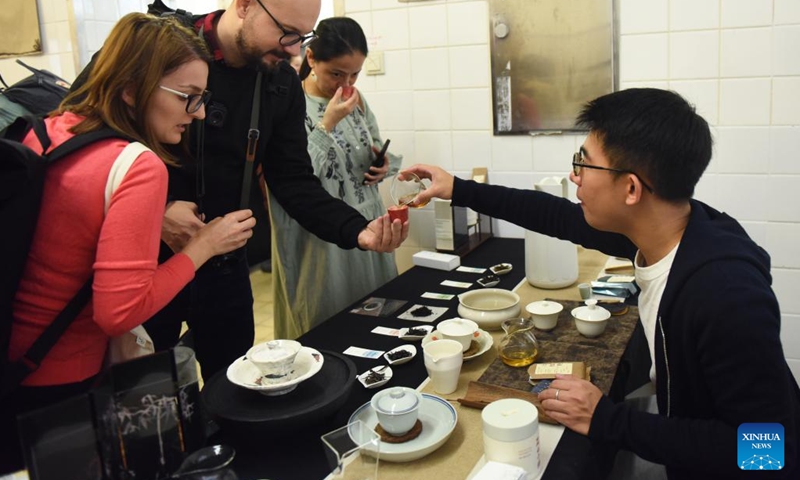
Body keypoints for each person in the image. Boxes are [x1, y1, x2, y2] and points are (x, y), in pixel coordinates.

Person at [403, 88, 800, 479]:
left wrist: (606, 419)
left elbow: (766, 449)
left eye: (585, 163)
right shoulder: (665, 228)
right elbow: (554, 215)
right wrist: (458, 189)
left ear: (631, 188)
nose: (574, 175)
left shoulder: (723, 293)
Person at [0, 13, 256, 474]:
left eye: (203, 99)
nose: (197, 114)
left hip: (15, 359)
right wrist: (203, 247)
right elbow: (119, 310)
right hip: (63, 380)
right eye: (188, 98)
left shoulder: (50, 128)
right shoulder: (138, 166)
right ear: (133, 90)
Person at [109, 0, 410, 380]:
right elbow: (89, 134)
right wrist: (159, 209)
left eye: (302, 37)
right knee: (145, 393)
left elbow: (294, 181)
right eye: (286, 32)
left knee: (231, 386)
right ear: (245, 5)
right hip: (148, 262)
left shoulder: (280, 82)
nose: (294, 50)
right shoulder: (161, 45)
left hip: (225, 265)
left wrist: (355, 229)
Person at [271, 17, 400, 339]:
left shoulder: (355, 100)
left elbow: (368, 150)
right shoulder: (290, 105)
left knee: (379, 324)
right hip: (321, 240)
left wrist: (382, 165)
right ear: (312, 58)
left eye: (354, 74)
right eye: (336, 73)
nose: (346, 82)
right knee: (331, 329)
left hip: (366, 219)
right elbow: (294, 179)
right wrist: (326, 124)